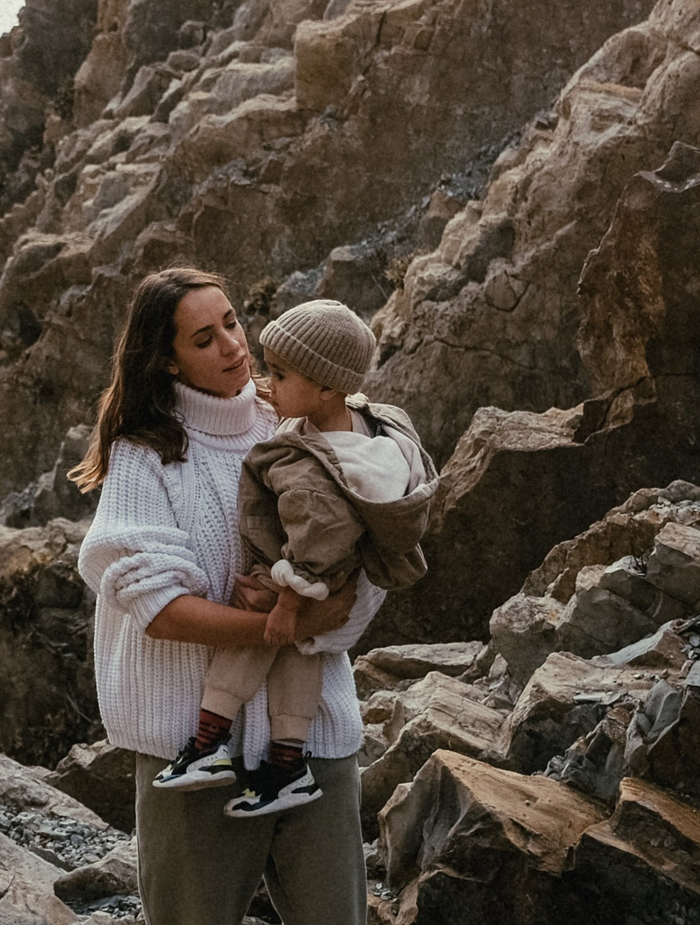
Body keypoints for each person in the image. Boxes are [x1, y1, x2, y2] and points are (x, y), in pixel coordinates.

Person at [71, 268, 384, 925]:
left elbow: (372, 550)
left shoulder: (296, 420)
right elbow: (156, 608)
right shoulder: (144, 453)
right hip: (193, 760)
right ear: (166, 357)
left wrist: (330, 619)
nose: (233, 347)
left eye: (233, 323)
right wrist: (280, 623)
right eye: (205, 338)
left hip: (313, 743)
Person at [150, 299, 434, 818]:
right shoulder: (373, 430)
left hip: (298, 577)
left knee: (259, 636)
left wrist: (285, 602)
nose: (266, 382)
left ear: (325, 386)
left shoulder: (314, 465)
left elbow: (319, 538)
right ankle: (287, 765)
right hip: (323, 584)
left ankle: (208, 743)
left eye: (280, 375)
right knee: (302, 650)